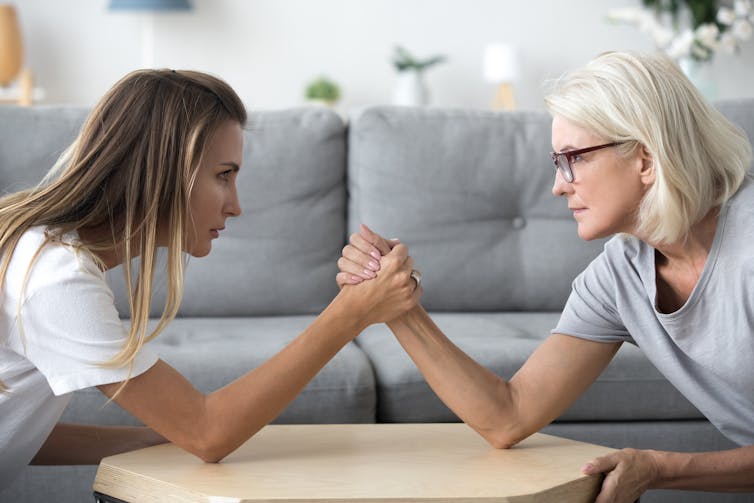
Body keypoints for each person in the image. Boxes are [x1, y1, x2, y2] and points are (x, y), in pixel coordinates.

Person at [337, 51, 754, 502]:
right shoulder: (619, 276)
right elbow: (509, 416)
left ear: (647, 159)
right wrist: (399, 305)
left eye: (573, 158)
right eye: (558, 163)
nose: (558, 185)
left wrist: (660, 468)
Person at [0, 69, 422, 490]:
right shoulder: (57, 279)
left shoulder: (38, 249)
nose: (235, 206)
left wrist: (159, 437)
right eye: (224, 175)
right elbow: (207, 432)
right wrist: (351, 313)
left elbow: (16, 432)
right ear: (161, 170)